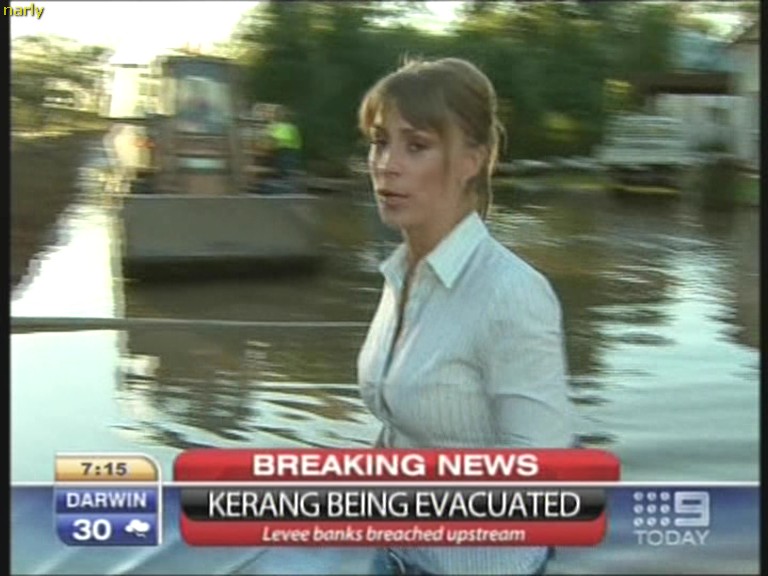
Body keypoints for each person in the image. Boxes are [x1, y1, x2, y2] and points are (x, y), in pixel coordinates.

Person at [356, 57, 574, 575]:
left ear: (471, 161)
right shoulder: (401, 275)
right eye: (380, 142)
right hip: (391, 557)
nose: (386, 164)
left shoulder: (512, 294)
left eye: (416, 146)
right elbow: (399, 426)